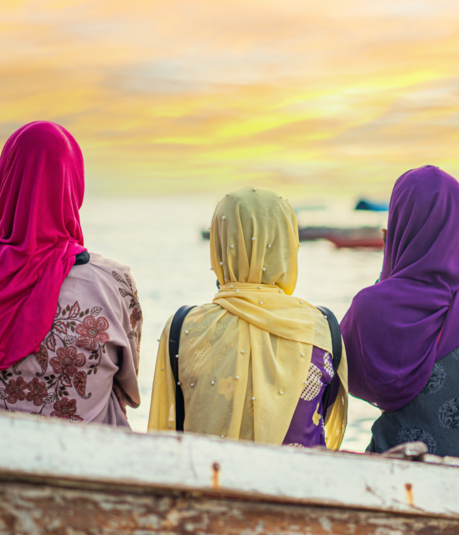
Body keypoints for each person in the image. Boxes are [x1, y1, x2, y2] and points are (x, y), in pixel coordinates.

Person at [0, 121, 142, 426]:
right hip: (90, 465)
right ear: (73, 186)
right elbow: (127, 389)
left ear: (6, 183)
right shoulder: (115, 284)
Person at [340, 166, 459, 463]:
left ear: (398, 224)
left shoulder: (369, 308)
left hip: (388, 482)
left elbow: (346, 379)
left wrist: (388, 267)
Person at [147, 187, 348, 449]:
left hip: (207, 484)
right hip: (302, 486)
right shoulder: (322, 328)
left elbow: (169, 431)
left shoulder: (183, 327)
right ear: (288, 242)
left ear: (219, 243)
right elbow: (325, 421)